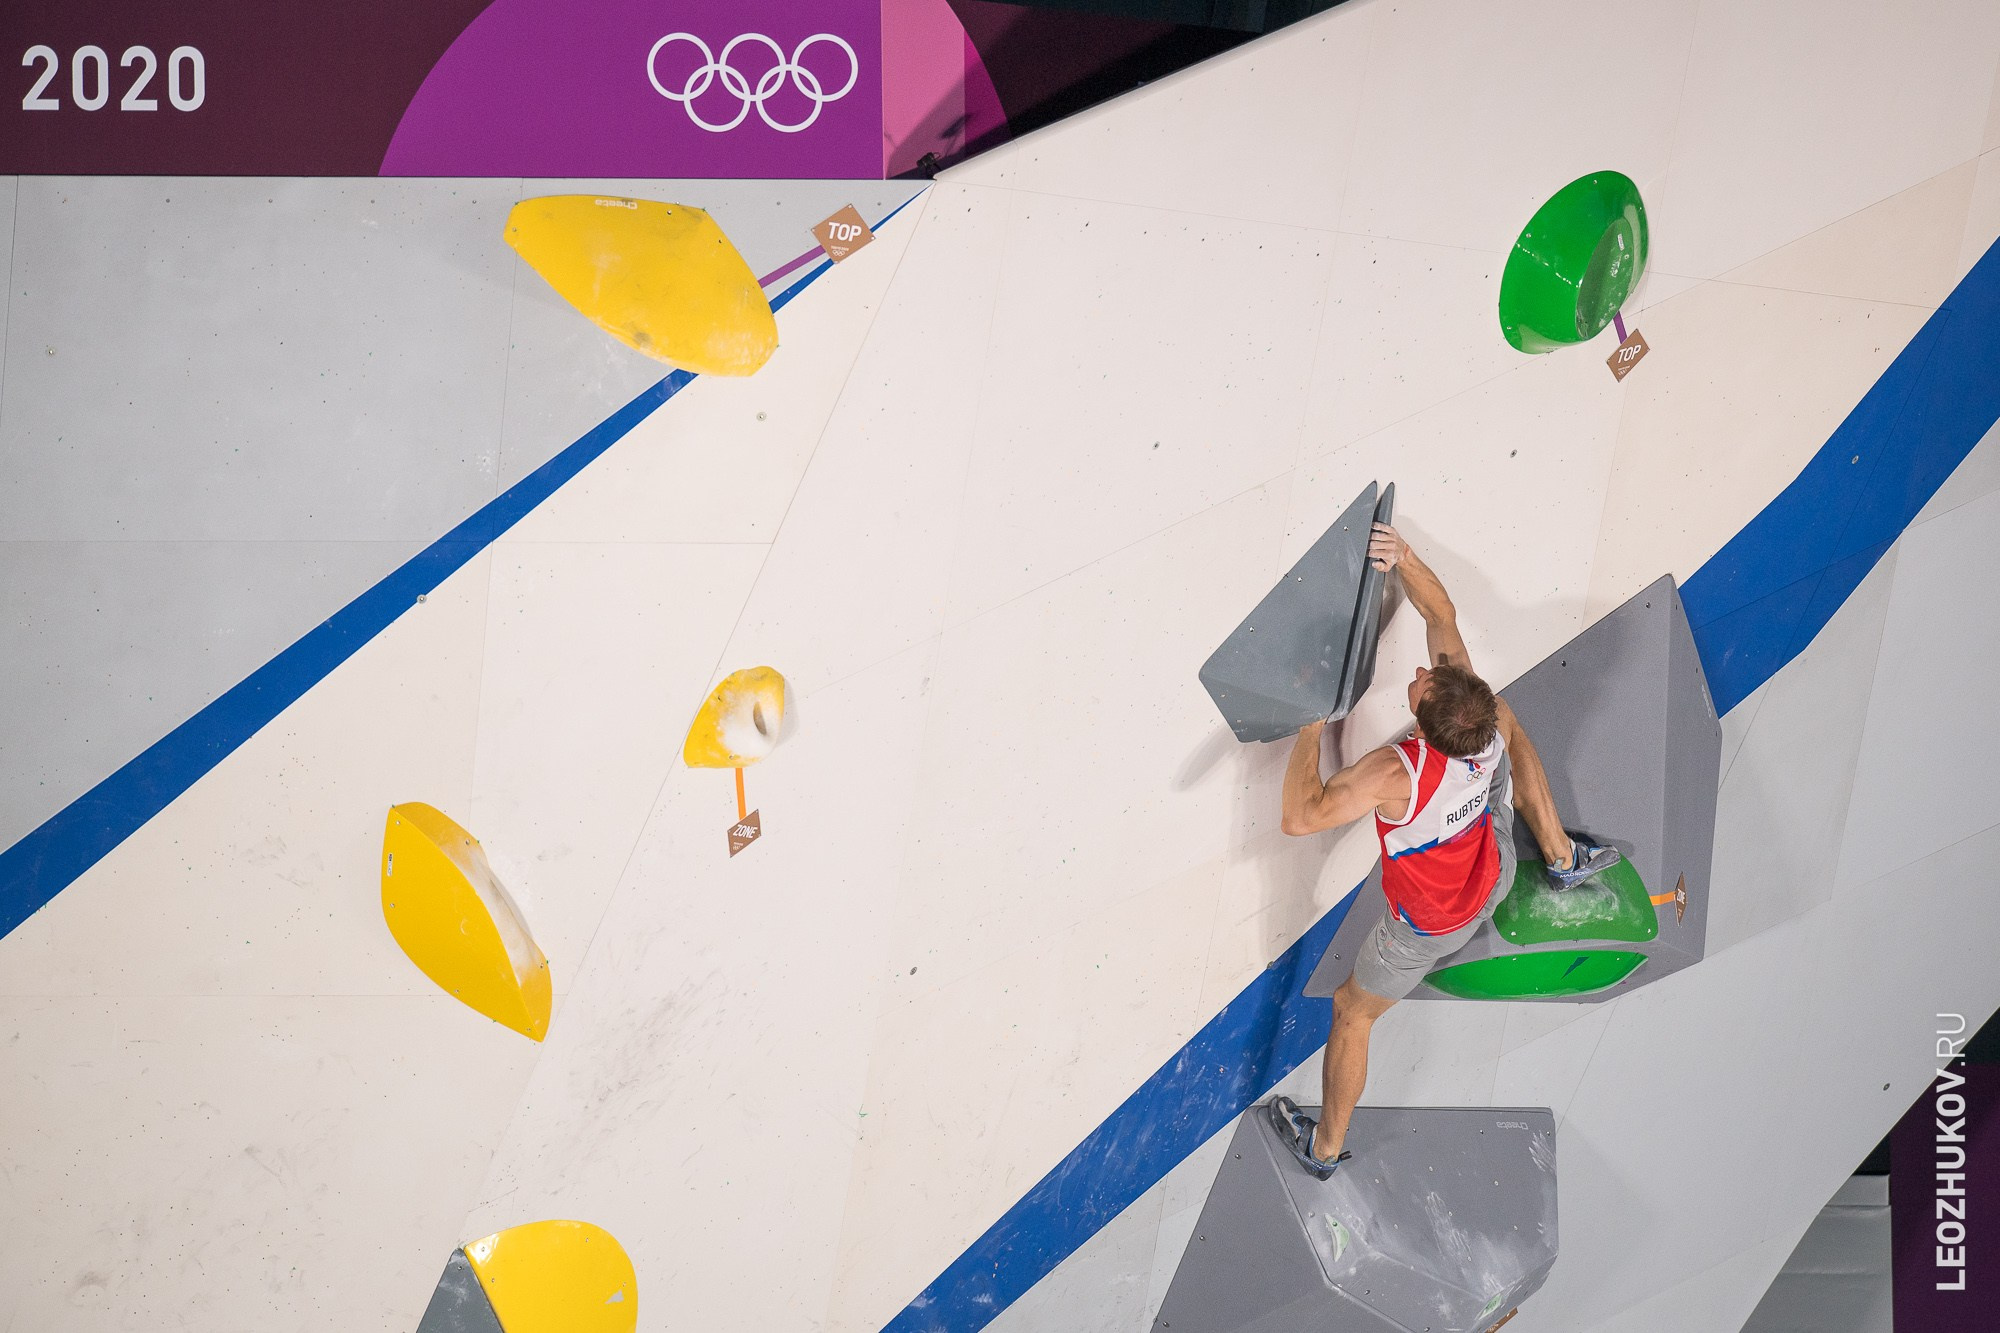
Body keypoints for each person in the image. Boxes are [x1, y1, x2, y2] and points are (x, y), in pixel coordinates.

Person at [1268, 522, 1619, 1179]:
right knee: (1512, 721)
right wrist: (1403, 556)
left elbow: (1299, 815)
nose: (1424, 670)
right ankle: (1561, 855)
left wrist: (1312, 719)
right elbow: (1442, 611)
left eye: (1423, 679)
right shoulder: (1478, 721)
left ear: (1423, 725)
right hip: (1493, 869)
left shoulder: (1394, 775)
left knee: (1352, 1012)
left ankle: (1323, 1151)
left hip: (1428, 927)